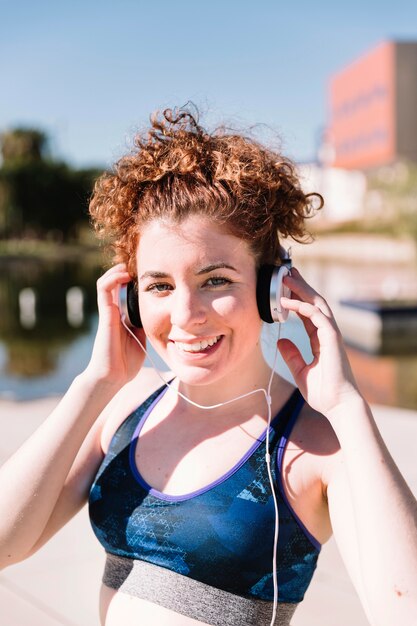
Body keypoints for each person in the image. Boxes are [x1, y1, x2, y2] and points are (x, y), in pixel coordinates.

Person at [0, 107, 416, 626]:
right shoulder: (126, 404)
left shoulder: (317, 443)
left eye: (215, 280)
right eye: (158, 286)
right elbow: (5, 544)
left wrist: (348, 407)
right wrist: (94, 383)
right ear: (131, 299)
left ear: (273, 290)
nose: (185, 316)